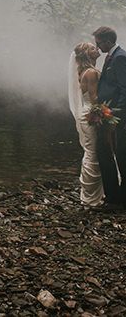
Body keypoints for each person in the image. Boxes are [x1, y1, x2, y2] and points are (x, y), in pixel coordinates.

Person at [93, 26, 126, 208]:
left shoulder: (120, 58)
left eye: (98, 43)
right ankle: (114, 196)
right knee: (108, 154)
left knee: (121, 155)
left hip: (116, 116)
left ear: (107, 41)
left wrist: (116, 112)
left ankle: (118, 199)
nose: (97, 47)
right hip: (107, 114)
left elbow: (124, 88)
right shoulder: (111, 56)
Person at [68, 42, 104, 207]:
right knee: (93, 153)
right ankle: (90, 197)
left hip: (89, 112)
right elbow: (95, 97)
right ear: (86, 55)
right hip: (92, 114)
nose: (96, 48)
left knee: (92, 151)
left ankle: (92, 195)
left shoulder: (85, 71)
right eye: (92, 48)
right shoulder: (91, 72)